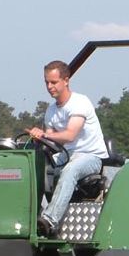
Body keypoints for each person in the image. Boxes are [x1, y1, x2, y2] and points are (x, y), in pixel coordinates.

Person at [28, 60, 108, 237]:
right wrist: (38, 139)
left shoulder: (80, 102)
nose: (49, 87)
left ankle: (49, 220)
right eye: (46, 82)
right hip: (66, 155)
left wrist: (44, 134)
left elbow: (70, 135)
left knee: (70, 170)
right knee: (37, 167)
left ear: (66, 80)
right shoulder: (50, 111)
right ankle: (30, 214)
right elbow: (51, 143)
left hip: (90, 156)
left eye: (53, 82)